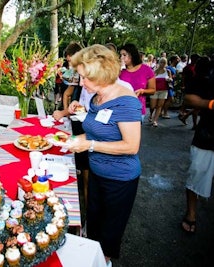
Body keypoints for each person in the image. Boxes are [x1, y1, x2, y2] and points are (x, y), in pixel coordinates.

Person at [66, 44, 142, 265]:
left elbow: (131, 146)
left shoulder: (126, 101)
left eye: (84, 78)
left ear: (100, 75)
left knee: (108, 236)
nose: (81, 83)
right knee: (95, 226)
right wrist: (79, 139)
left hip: (119, 179)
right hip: (98, 172)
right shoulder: (97, 98)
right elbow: (98, 130)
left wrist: (89, 145)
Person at [181, 55, 214, 233]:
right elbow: (189, 98)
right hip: (210, 136)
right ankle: (191, 213)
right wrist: (212, 104)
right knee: (197, 174)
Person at [119, 43, 156, 122]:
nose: (121, 58)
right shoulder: (119, 70)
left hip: (137, 109)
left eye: (124, 55)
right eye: (120, 55)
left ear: (132, 55)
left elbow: (152, 90)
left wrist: (142, 91)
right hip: (119, 109)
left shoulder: (146, 70)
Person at [148, 57, 172, 127]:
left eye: (164, 62)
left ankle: (155, 120)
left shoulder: (167, 71)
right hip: (155, 90)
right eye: (161, 62)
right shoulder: (154, 71)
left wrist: (169, 79)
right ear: (159, 63)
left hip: (164, 91)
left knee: (159, 106)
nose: (162, 64)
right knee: (152, 106)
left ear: (166, 63)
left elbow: (171, 79)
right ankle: (151, 114)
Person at [178, 53, 200, 129]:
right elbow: (183, 77)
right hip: (189, 86)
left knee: (194, 105)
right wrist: (183, 85)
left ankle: (183, 113)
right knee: (195, 105)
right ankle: (183, 113)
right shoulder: (188, 67)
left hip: (195, 87)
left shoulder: (197, 67)